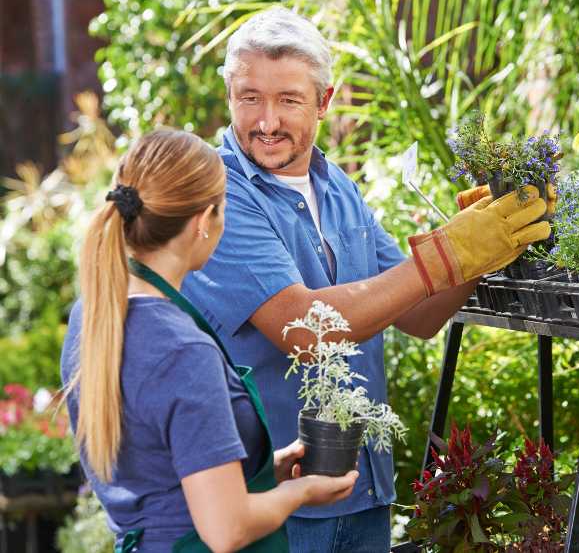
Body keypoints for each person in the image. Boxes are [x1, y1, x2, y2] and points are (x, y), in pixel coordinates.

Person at [182, 7, 551, 552]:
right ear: (230, 95)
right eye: (249, 97)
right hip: (278, 507)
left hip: (365, 494)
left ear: (324, 101)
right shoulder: (219, 196)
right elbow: (303, 329)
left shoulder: (337, 189)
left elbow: (418, 313)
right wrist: (447, 253)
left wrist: (486, 241)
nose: (266, 121)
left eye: (287, 100)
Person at [60, 129, 358, 553]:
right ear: (203, 222)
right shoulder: (182, 350)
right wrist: (303, 492)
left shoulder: (92, 315)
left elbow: (162, 471)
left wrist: (268, 469)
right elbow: (226, 529)